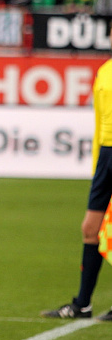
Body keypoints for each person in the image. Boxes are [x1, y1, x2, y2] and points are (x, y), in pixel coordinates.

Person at [41, 56, 112, 321]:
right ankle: (82, 304)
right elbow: (99, 121)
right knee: (90, 229)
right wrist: (98, 164)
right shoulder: (105, 71)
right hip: (106, 157)